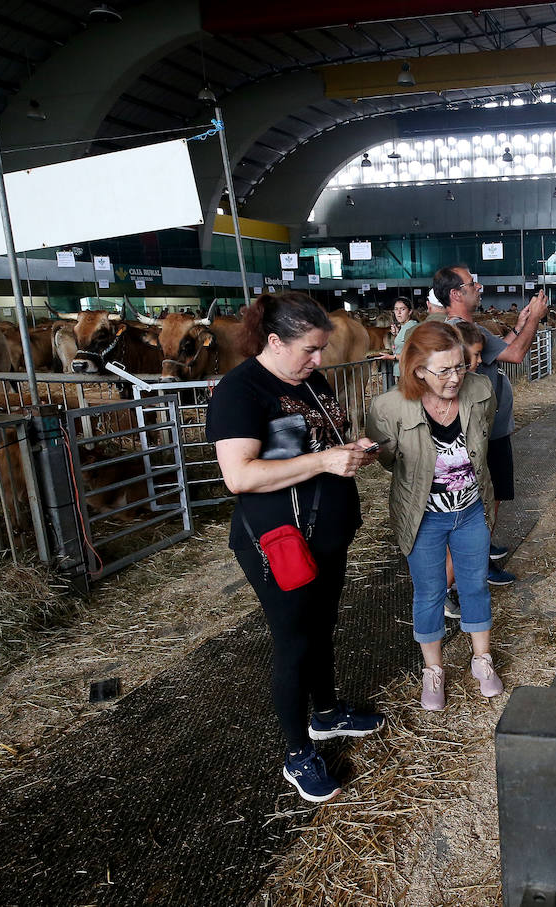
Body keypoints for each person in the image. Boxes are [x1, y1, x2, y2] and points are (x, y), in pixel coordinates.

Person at [206, 291, 384, 805]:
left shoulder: (311, 380)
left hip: (326, 532)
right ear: (274, 341)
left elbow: (319, 446)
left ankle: (327, 714)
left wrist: (351, 455)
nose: (320, 359)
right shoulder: (241, 391)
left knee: (323, 625)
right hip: (281, 541)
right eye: (309, 349)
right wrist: (325, 463)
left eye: (322, 349)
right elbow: (239, 476)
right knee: (294, 640)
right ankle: (296, 750)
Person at [366, 322, 504, 711]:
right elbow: (389, 460)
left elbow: (482, 438)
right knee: (429, 592)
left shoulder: (480, 390)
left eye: (459, 366)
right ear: (417, 369)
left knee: (474, 585)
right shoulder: (388, 407)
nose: (455, 377)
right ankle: (434, 670)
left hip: (471, 510)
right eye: (443, 370)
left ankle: (482, 660)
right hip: (423, 516)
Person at [433, 264, 549, 586]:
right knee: (486, 499)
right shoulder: (460, 330)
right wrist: (536, 318)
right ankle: (476, 563)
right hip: (481, 433)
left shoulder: (469, 327)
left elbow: (500, 350)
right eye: (472, 283)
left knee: (488, 497)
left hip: (487, 429)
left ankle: (479, 552)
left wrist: (523, 321)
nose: (478, 286)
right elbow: (514, 355)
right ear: (456, 294)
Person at [382, 297, 418, 379]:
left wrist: (391, 357)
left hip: (409, 373)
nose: (398, 312)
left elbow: (413, 354)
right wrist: (397, 334)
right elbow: (402, 345)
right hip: (403, 372)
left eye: (402, 309)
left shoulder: (411, 326)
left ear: (410, 311)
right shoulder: (404, 327)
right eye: (396, 309)